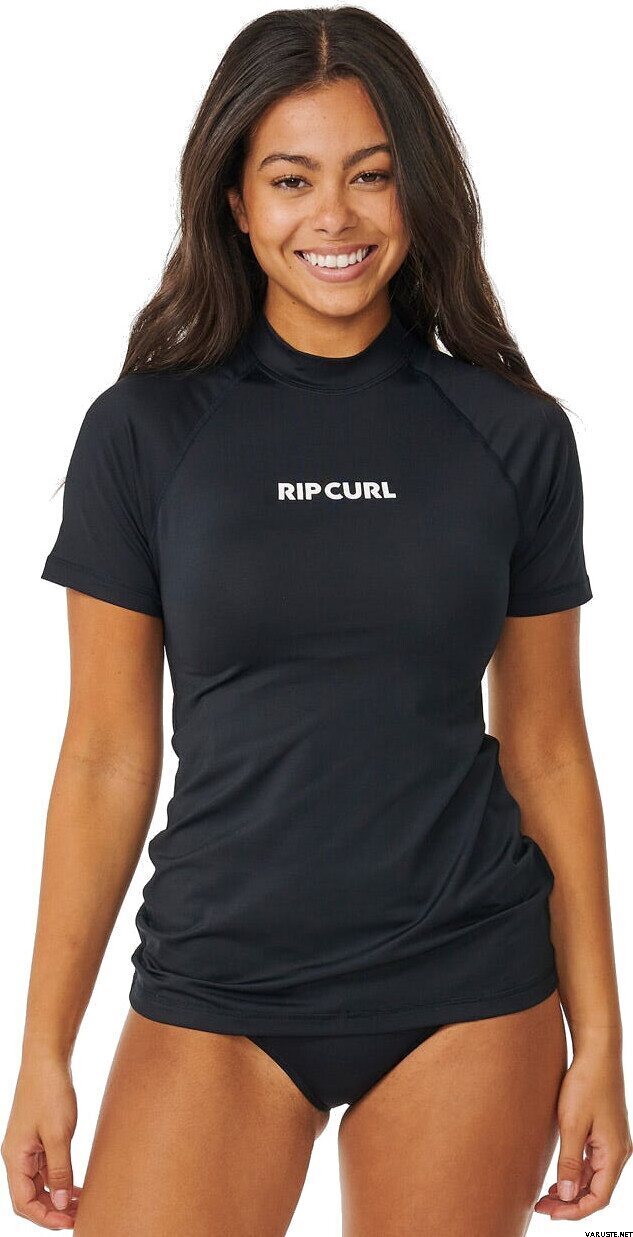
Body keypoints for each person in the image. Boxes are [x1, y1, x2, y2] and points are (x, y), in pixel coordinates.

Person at [2, 6, 631, 1235]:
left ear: (418, 194)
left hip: (467, 986)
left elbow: (551, 748)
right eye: (292, 180)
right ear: (236, 202)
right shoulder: (144, 435)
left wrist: (601, 1037)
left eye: (371, 176)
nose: (333, 217)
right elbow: (105, 755)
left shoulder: (512, 434)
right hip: (217, 984)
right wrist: (42, 1047)